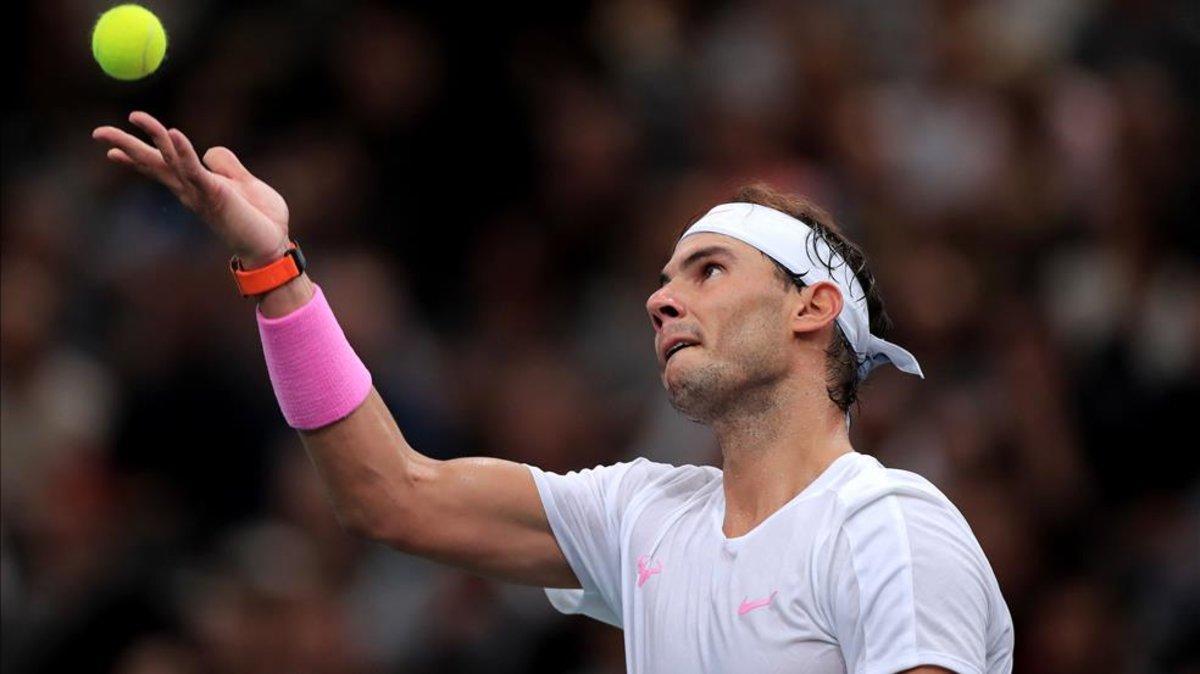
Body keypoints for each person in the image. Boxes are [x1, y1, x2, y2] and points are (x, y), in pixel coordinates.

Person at [92, 111, 1014, 673]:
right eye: (663, 277)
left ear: (811, 309)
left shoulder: (888, 527)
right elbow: (389, 494)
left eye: (707, 269)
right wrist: (272, 269)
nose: (660, 298)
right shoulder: (641, 515)